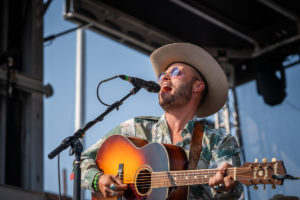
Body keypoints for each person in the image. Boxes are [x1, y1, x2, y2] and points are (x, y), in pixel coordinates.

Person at [80, 43, 243, 199]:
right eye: (162, 75)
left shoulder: (219, 142)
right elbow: (82, 161)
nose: (164, 77)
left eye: (175, 72)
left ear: (197, 86)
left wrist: (225, 186)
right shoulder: (137, 128)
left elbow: (231, 193)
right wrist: (98, 180)